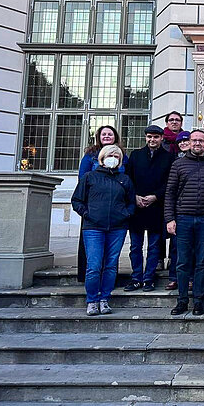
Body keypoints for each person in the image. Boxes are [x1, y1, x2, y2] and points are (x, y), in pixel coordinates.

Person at [165, 129, 204, 316]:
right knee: (182, 262)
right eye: (194, 140)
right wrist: (170, 218)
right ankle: (182, 300)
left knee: (201, 262)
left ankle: (198, 300)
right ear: (189, 143)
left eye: (201, 140)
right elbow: (170, 193)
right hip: (183, 218)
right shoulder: (178, 165)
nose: (198, 143)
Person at [71, 145, 135, 316]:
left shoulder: (124, 179)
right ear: (102, 157)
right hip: (93, 228)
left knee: (111, 265)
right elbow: (77, 200)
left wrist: (126, 214)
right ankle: (92, 300)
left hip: (117, 227)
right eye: (110, 155)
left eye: (116, 155)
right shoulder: (89, 177)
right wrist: (87, 214)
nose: (113, 157)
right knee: (93, 265)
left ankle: (104, 298)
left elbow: (131, 202)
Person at [123, 125, 175, 292]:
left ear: (161, 138)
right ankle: (136, 276)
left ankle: (149, 278)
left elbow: (169, 183)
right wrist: (135, 196)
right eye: (149, 137)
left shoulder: (168, 157)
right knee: (135, 246)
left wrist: (156, 196)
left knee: (154, 247)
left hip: (156, 208)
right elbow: (128, 179)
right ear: (145, 137)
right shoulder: (136, 155)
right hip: (137, 207)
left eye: (156, 137)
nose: (152, 140)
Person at [76, 126, 128, 283]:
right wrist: (86, 210)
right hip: (94, 207)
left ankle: (109, 278)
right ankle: (89, 278)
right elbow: (82, 179)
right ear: (99, 136)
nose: (107, 136)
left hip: (116, 206)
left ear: (115, 136)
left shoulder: (123, 156)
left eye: (110, 134)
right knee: (92, 248)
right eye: (104, 134)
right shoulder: (90, 155)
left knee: (112, 248)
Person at [165, 130, 192, 291]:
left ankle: (189, 278)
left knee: (192, 249)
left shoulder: (202, 160)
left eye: (185, 141)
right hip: (178, 210)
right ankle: (174, 277)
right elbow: (170, 189)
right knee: (176, 247)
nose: (183, 144)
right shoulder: (174, 162)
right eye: (180, 142)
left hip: (194, 209)